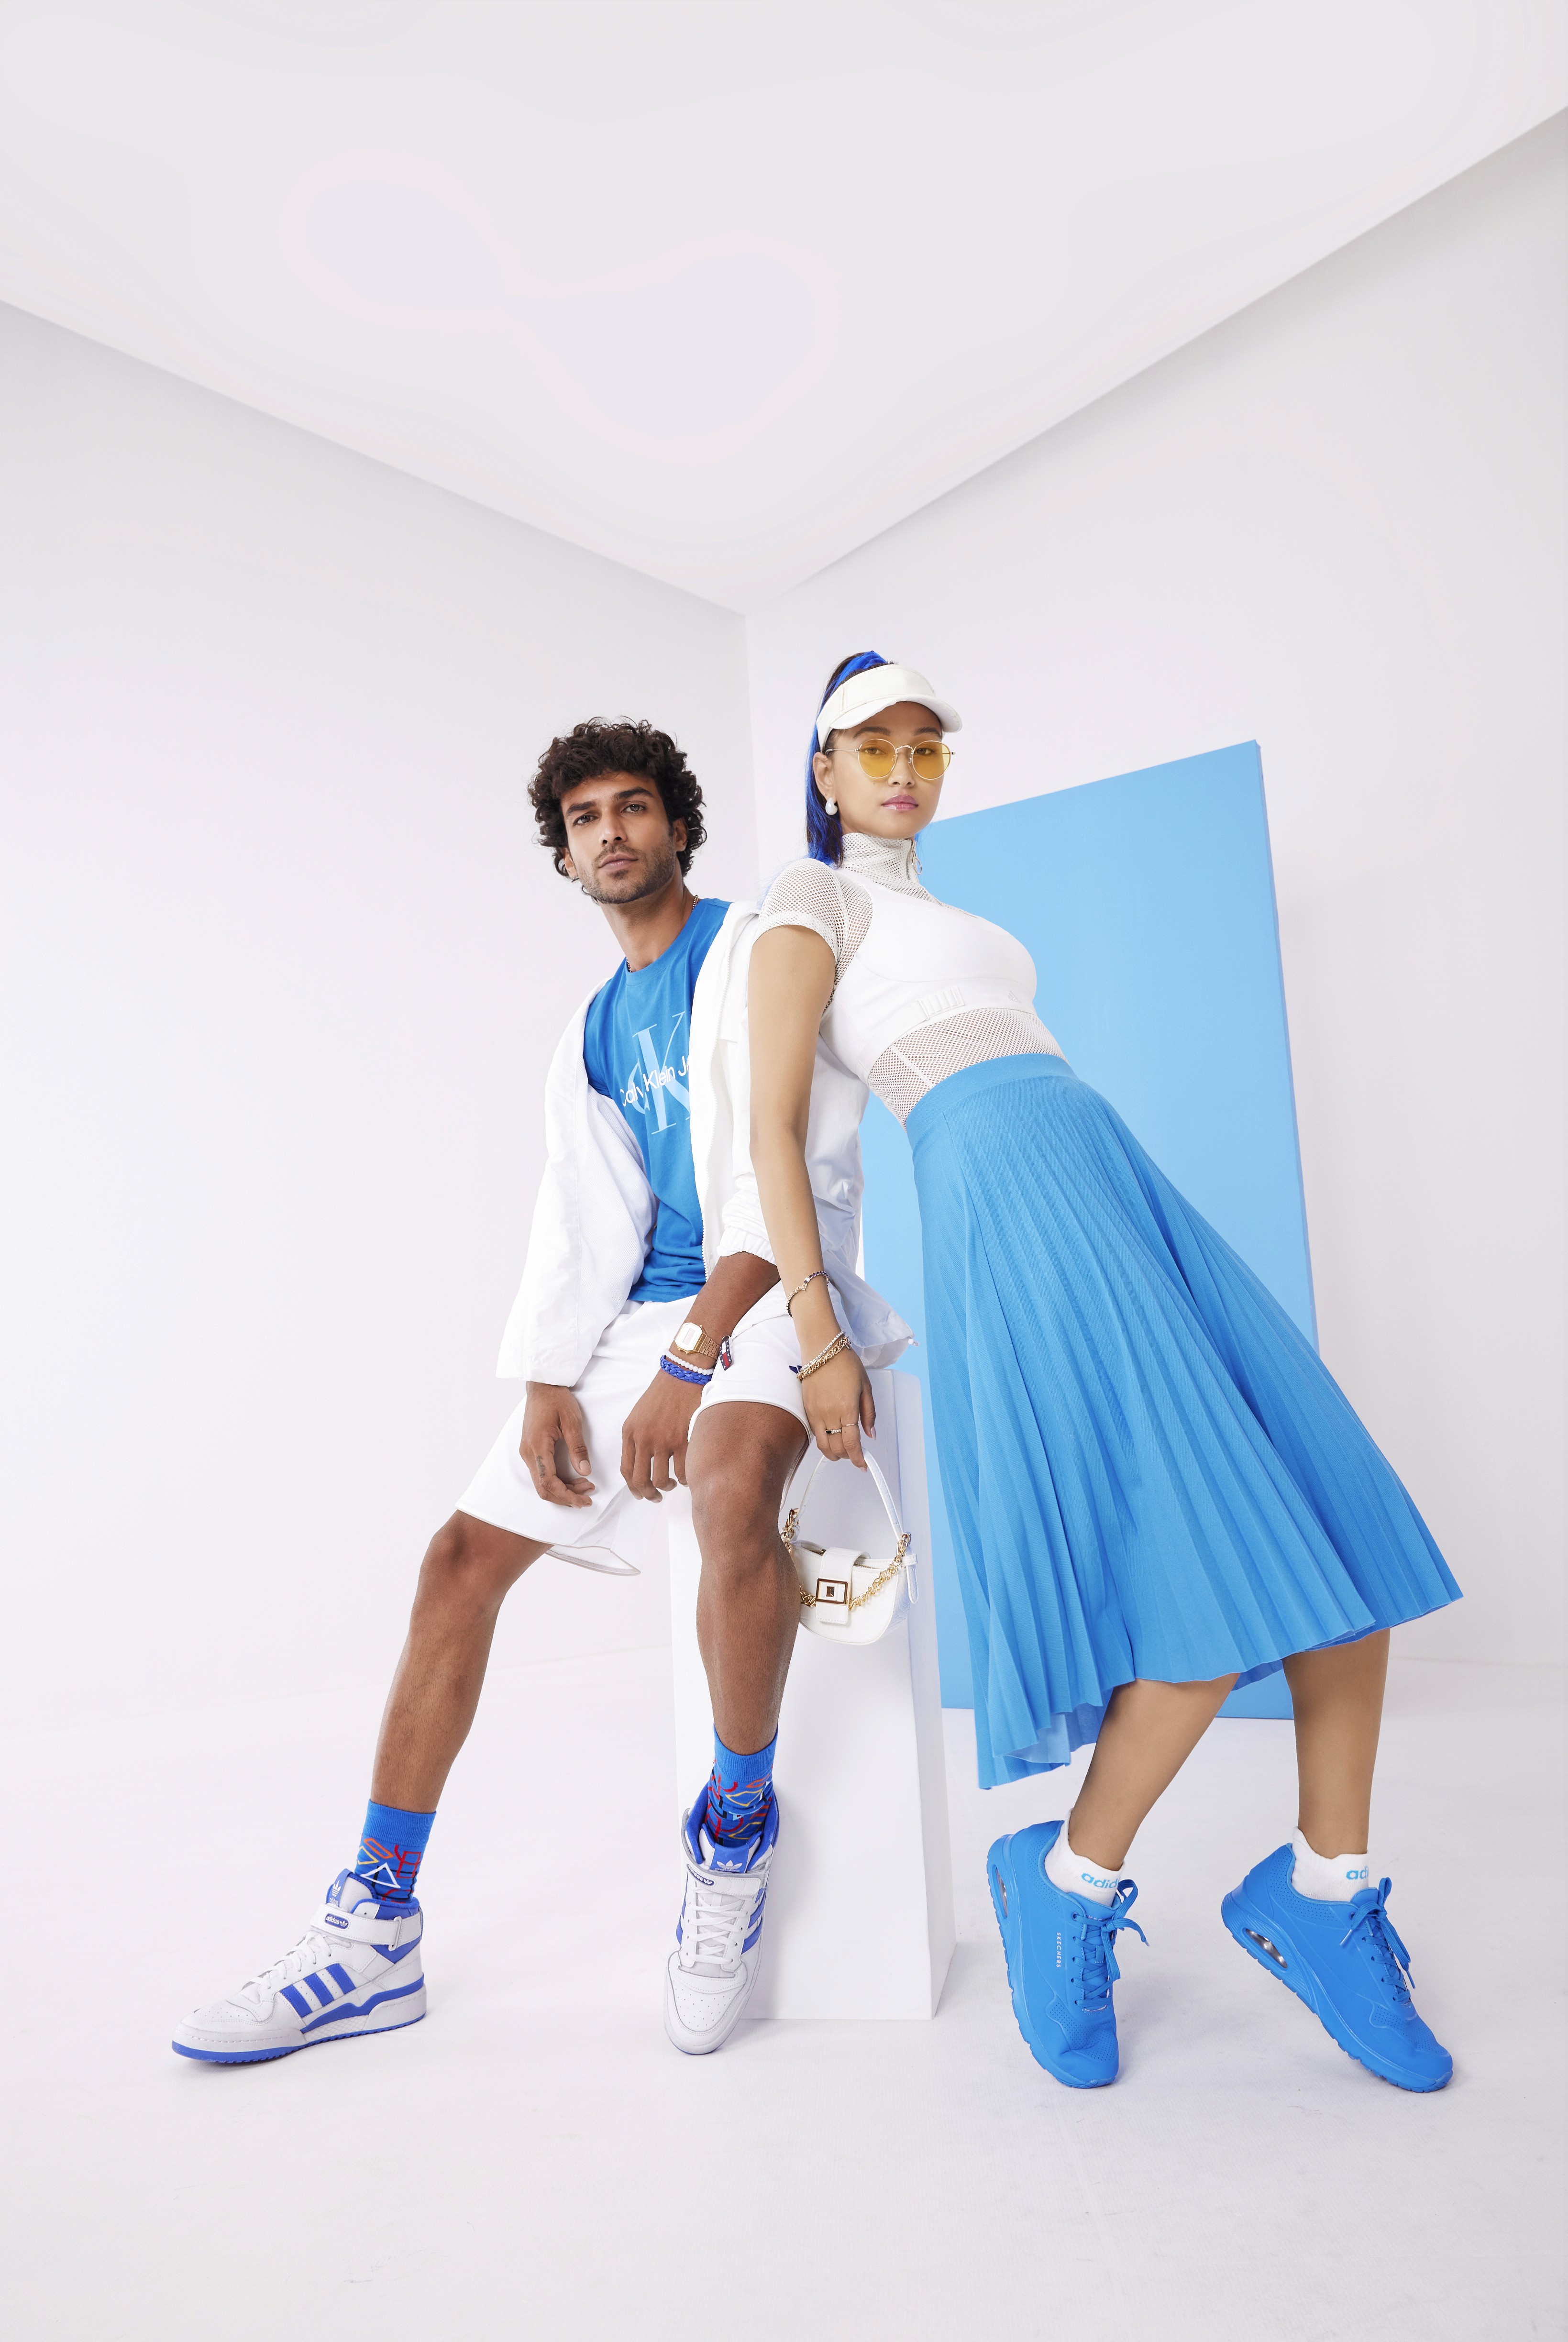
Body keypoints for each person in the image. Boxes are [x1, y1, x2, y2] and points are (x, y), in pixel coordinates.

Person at [746, 651, 1461, 2093]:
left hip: (1107, 1173)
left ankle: (1324, 1892)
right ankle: (1066, 1881)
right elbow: (774, 1132)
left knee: (1346, 1531)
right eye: (870, 745)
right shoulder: (805, 900)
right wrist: (814, 1331)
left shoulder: (947, 909)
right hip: (1009, 1199)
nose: (901, 767)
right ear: (823, 769)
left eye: (925, 746)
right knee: (1200, 1591)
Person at [173, 716, 907, 2066]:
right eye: (585, 819)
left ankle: (736, 1832)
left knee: (739, 1480)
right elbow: (582, 1219)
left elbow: (790, 1158)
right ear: (565, 855)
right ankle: (377, 1923)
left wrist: (691, 1361)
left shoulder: (756, 948)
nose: (613, 832)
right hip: (647, 1314)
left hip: (771, 1291)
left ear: (677, 826)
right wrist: (547, 1379)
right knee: (457, 1559)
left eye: (636, 807)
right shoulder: (591, 1023)